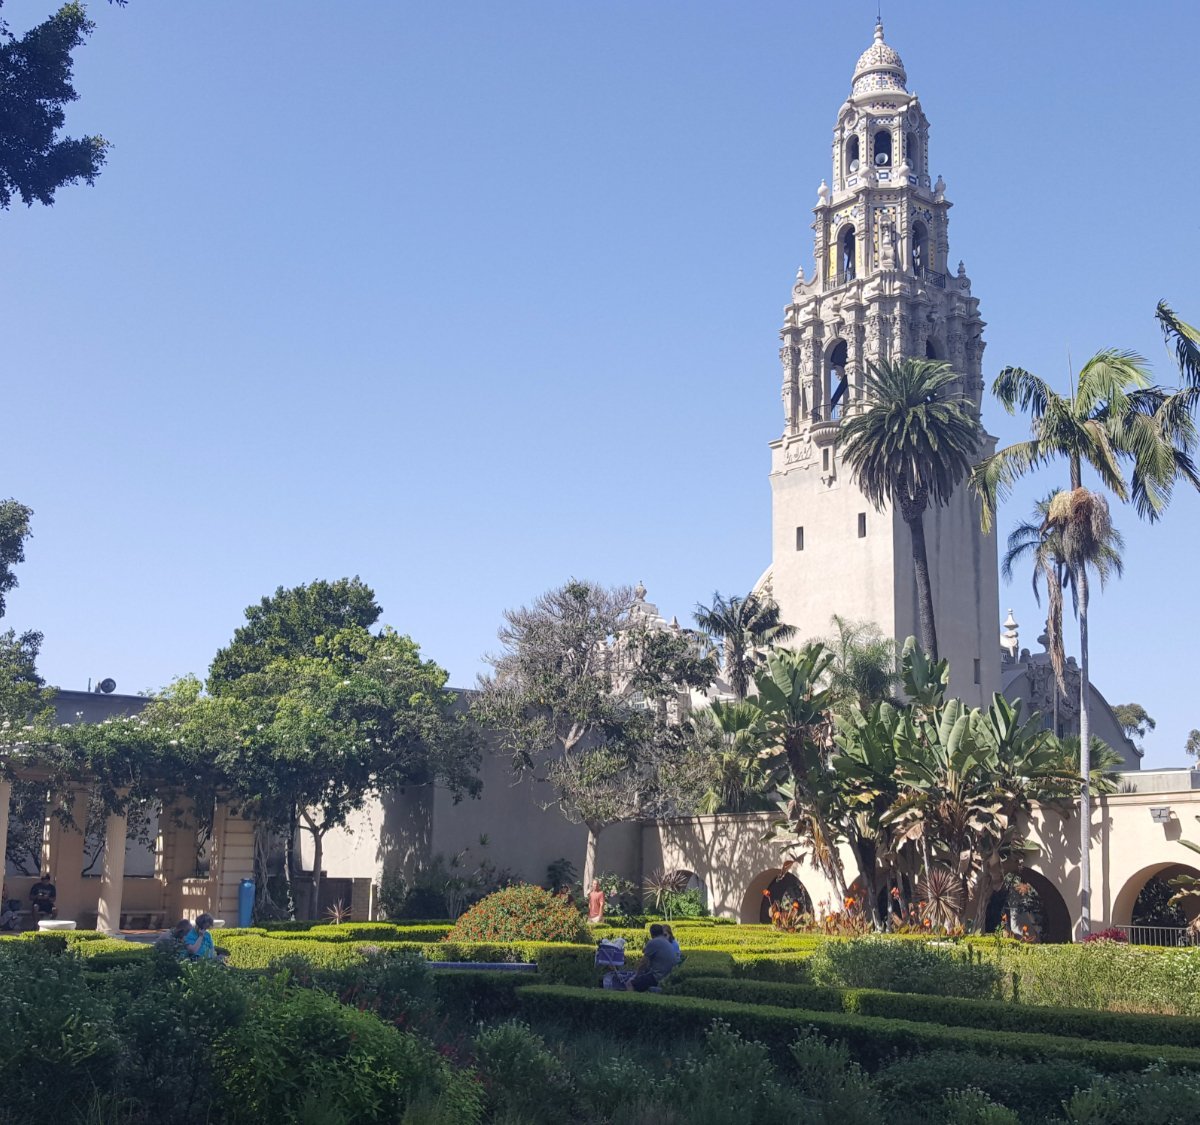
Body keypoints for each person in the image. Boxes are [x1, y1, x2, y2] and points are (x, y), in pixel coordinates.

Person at [626, 923, 677, 993]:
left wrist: (635, 975)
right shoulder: (667, 941)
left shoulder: (653, 942)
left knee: (630, 984)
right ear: (662, 932)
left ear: (651, 934)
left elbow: (643, 963)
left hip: (657, 977)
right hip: (667, 975)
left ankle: (632, 1002)